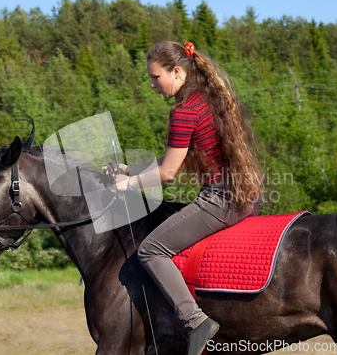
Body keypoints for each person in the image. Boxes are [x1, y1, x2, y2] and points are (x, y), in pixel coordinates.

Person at [103, 41, 263, 355]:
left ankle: (195, 321)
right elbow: (167, 163)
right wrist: (126, 168)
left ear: (177, 71)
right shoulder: (206, 99)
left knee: (150, 250)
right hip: (245, 194)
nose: (151, 85)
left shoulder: (184, 110)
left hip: (221, 199)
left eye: (155, 77)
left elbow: (167, 174)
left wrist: (127, 185)